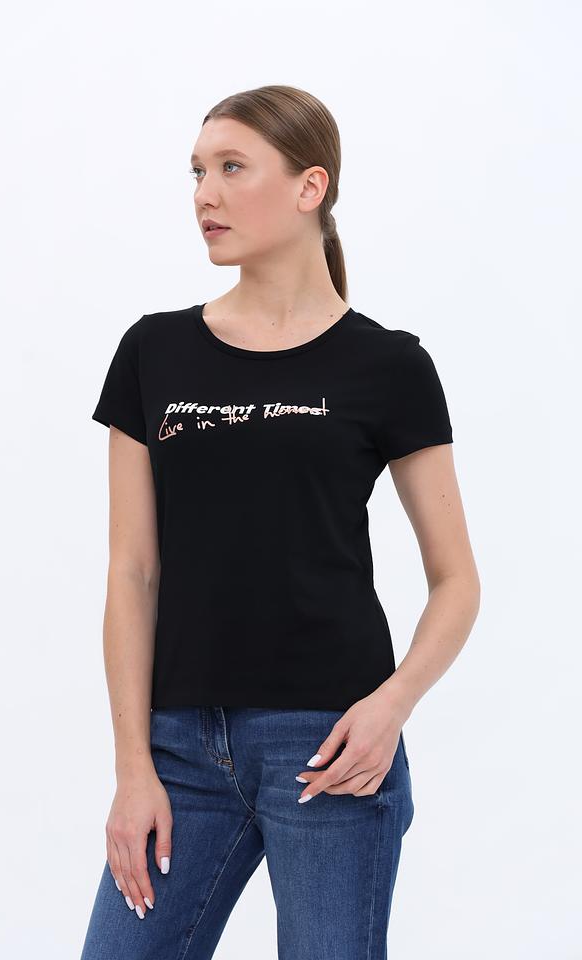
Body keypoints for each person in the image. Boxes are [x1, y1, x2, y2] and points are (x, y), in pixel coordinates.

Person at [80, 84, 480, 959]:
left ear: (310, 186)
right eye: (196, 172)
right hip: (178, 746)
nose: (205, 195)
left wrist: (390, 707)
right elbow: (132, 573)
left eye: (232, 168)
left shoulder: (389, 365)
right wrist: (133, 765)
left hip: (332, 746)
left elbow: (457, 581)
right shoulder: (153, 351)